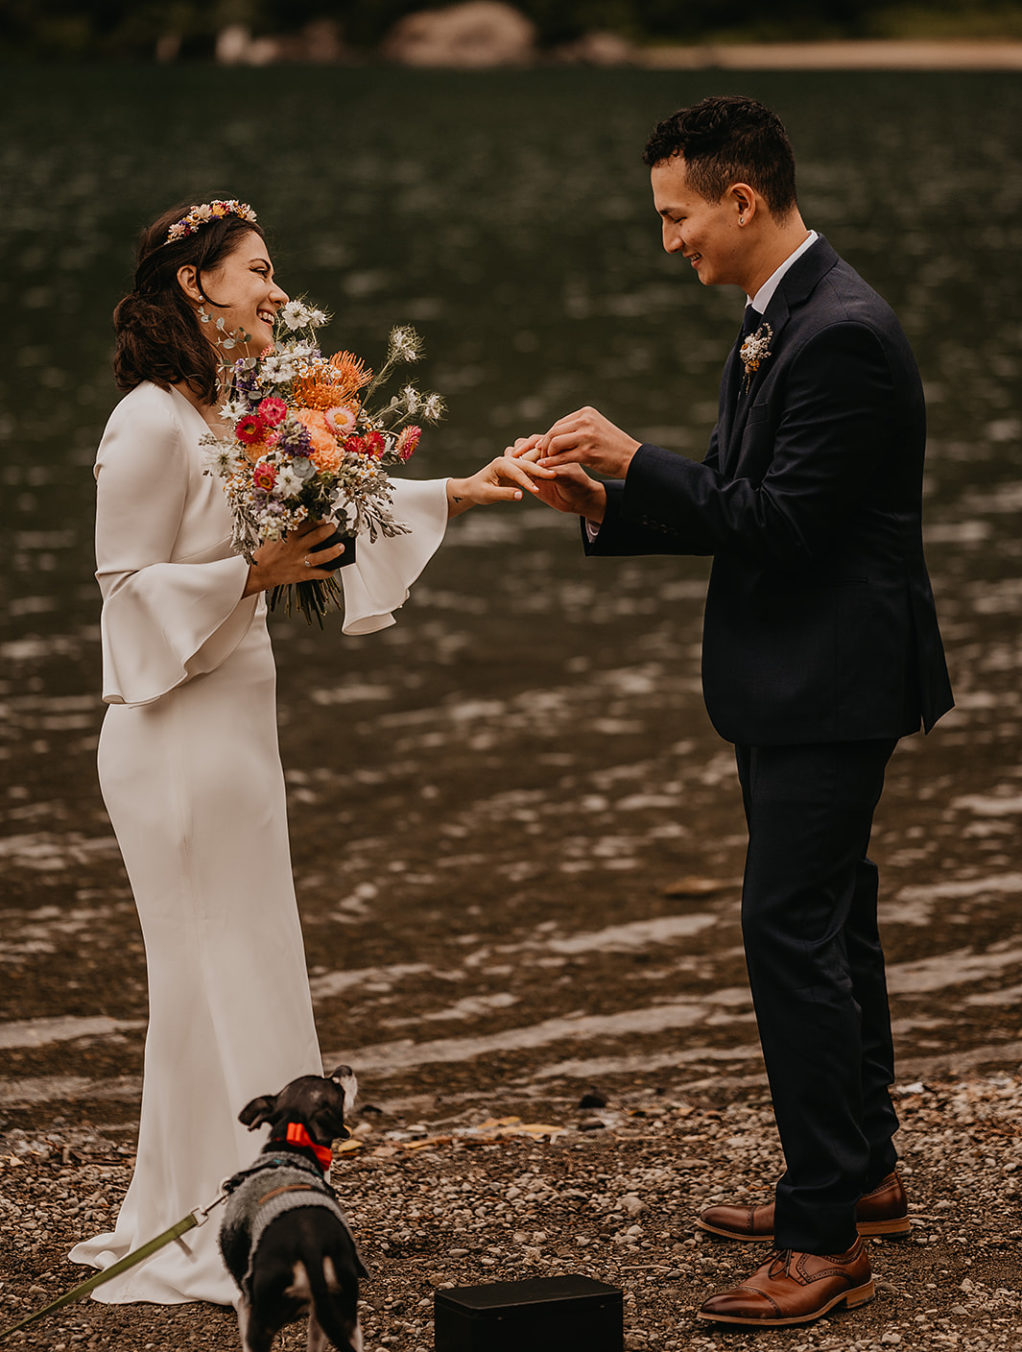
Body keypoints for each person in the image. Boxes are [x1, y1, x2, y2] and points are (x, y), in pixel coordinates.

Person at [509, 96, 952, 1329]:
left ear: (740, 201)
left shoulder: (841, 333)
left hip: (831, 686)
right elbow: (742, 499)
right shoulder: (779, 319)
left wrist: (635, 458)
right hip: (792, 680)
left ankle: (822, 1241)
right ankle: (861, 1175)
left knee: (789, 941)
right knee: (833, 926)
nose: (669, 241)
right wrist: (604, 504)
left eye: (676, 215)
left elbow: (782, 525)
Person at [71, 199, 542, 1305]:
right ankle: (247, 1214)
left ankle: (222, 1202)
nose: (277, 293)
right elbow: (123, 591)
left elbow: (327, 517)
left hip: (234, 717)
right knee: (214, 968)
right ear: (197, 285)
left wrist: (464, 490)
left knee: (225, 969)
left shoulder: (233, 408)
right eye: (259, 271)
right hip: (172, 733)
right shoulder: (146, 420)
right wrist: (253, 573)